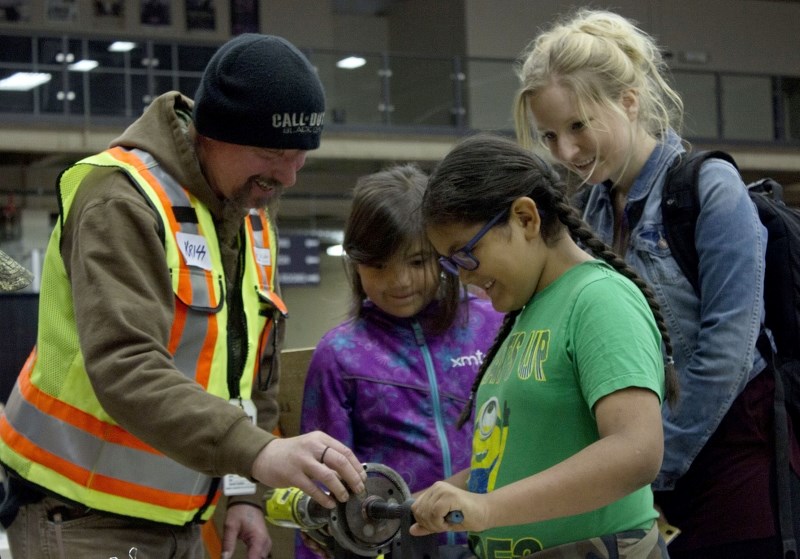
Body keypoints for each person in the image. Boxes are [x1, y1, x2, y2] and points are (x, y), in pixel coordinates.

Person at [0, 33, 367, 559]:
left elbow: (248, 366)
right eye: (272, 153)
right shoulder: (119, 200)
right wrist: (259, 453)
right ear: (211, 134)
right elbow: (126, 365)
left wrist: (244, 490)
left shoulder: (249, 212)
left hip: (180, 518)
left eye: (301, 158)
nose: (286, 176)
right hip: (82, 514)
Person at [513, 9, 800, 558]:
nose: (566, 153)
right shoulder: (589, 209)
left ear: (628, 100)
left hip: (736, 462)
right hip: (646, 472)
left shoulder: (710, 187)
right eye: (550, 135)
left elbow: (729, 351)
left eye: (579, 126)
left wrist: (648, 462)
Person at [409, 133, 678, 559]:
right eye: (449, 264)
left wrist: (488, 508)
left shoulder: (598, 299)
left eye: (466, 255)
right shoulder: (526, 312)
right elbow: (512, 467)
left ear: (526, 218)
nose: (461, 276)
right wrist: (431, 501)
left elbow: (637, 450)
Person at [296, 164, 504, 559]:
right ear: (355, 263)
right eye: (379, 265)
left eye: (416, 262)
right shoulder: (341, 354)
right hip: (398, 548)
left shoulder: (492, 324)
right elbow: (324, 489)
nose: (400, 281)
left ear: (443, 255)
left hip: (499, 537)